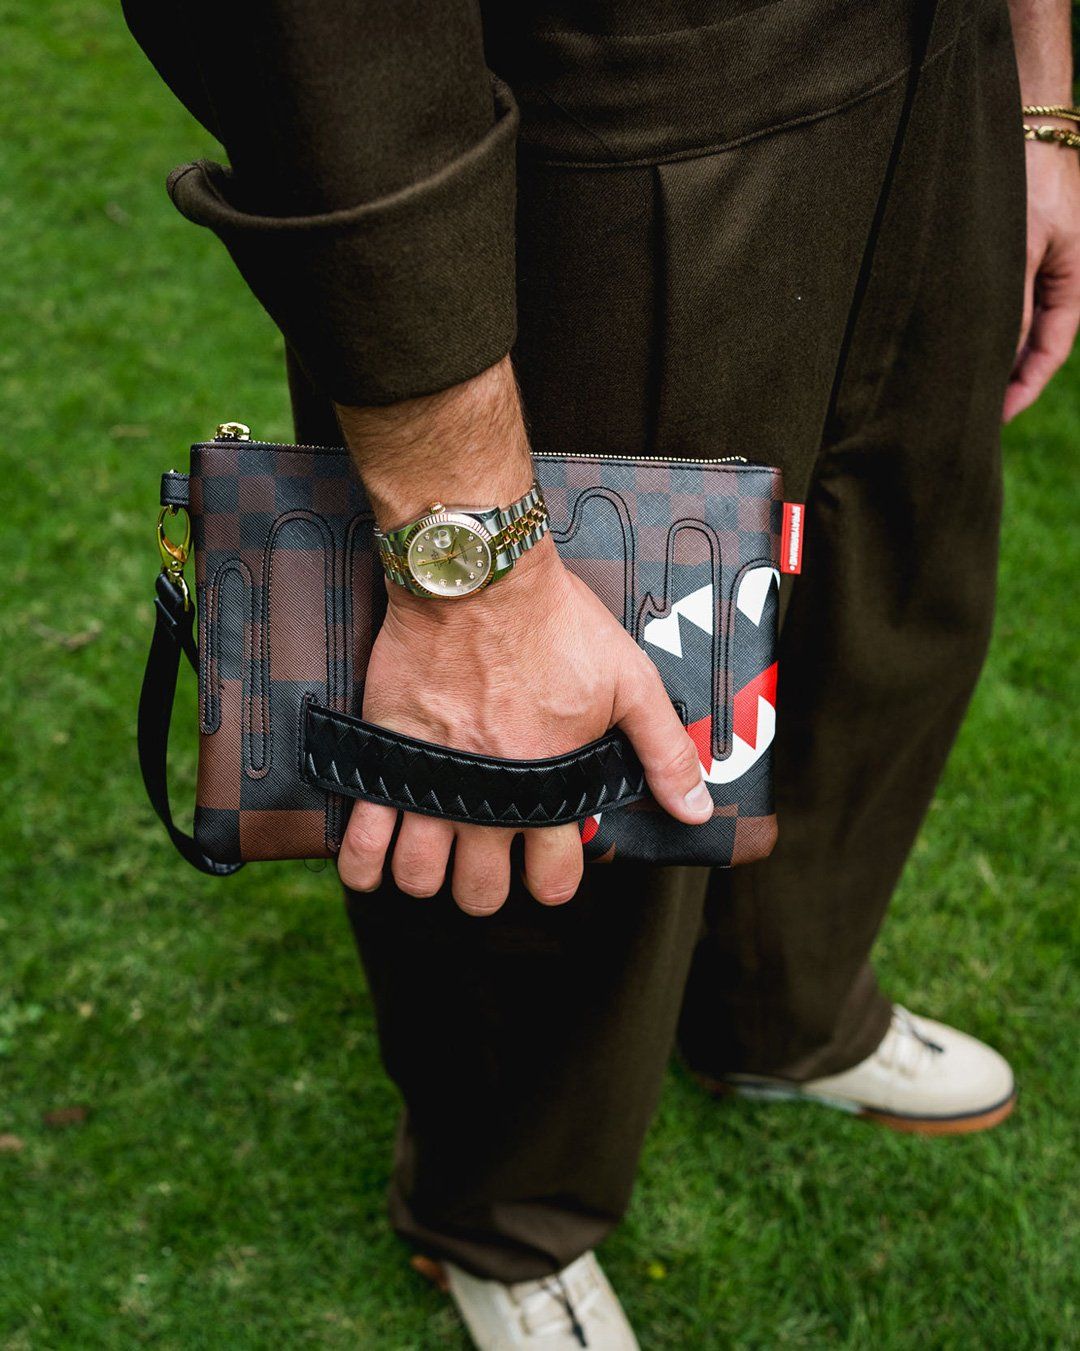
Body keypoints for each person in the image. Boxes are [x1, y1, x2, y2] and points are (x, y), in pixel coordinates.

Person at [123, 1, 1079, 1345]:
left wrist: (1040, 110)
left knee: (886, 610)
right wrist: (467, 552)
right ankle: (505, 1205)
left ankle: (782, 1012)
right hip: (620, 108)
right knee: (541, 759)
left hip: (954, 77)